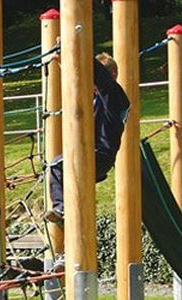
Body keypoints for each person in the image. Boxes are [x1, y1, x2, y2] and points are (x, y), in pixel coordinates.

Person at [44, 52, 131, 224]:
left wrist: (76, 47)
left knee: (57, 165)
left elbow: (102, 80)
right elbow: (76, 84)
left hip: (100, 155)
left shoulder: (114, 96)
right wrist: (64, 60)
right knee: (61, 168)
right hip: (93, 155)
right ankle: (66, 210)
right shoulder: (98, 97)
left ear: (111, 75)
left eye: (93, 81)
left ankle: (62, 209)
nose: (91, 85)